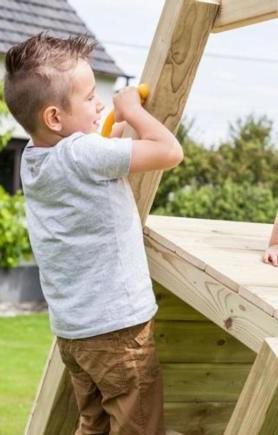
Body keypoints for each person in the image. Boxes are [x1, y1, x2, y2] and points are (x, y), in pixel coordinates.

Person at [4, 33, 184, 435]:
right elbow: (169, 151)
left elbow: (89, 165)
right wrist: (133, 110)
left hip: (76, 336)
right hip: (119, 332)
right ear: (54, 117)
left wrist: (109, 126)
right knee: (140, 427)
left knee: (94, 424)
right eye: (89, 97)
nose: (99, 103)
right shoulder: (83, 154)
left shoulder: (34, 163)